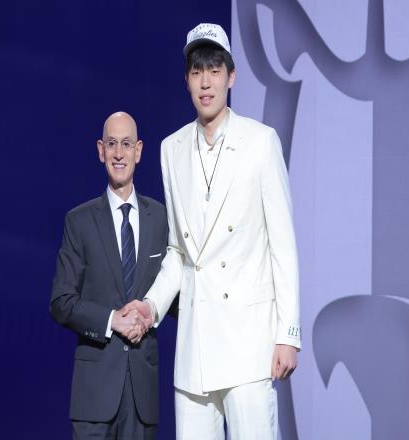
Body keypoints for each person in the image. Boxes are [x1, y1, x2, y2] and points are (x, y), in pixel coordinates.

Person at [125, 23, 301, 439]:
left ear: (231, 77)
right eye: (197, 71)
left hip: (248, 344)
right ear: (187, 80)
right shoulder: (171, 149)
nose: (206, 82)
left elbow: (283, 245)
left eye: (215, 70)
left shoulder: (260, 142)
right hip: (196, 348)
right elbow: (179, 251)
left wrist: (288, 334)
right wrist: (151, 306)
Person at [50, 111, 167, 440]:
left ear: (138, 151)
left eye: (126, 144)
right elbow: (61, 302)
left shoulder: (160, 218)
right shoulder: (79, 221)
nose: (119, 153)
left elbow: (174, 295)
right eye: (112, 144)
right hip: (94, 396)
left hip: (142, 397)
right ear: (101, 150)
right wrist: (112, 320)